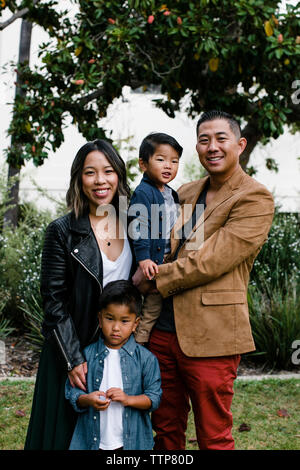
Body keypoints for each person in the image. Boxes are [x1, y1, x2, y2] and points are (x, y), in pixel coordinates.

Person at [134, 110, 275, 450]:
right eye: (203, 140)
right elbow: (158, 240)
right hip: (162, 333)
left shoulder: (254, 198)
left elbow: (210, 262)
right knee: (166, 434)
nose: (212, 147)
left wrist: (153, 279)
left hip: (212, 336)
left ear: (240, 145)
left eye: (220, 139)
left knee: (213, 437)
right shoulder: (183, 192)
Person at [25, 139, 133, 450]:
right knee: (64, 438)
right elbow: (54, 302)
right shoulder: (62, 230)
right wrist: (73, 359)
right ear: (78, 179)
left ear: (119, 176)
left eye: (108, 171)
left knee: (113, 440)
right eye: (90, 173)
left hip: (118, 352)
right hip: (74, 352)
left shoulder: (133, 224)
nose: (101, 180)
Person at [65, 280, 162, 450]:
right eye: (110, 319)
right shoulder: (86, 355)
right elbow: (72, 392)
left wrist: (127, 399)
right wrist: (87, 399)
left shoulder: (146, 359)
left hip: (131, 443)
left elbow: (154, 398)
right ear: (100, 319)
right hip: (93, 441)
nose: (116, 327)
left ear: (135, 324)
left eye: (124, 321)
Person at [128, 132, 182, 344]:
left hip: (166, 262)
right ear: (143, 164)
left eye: (174, 161)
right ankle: (138, 344)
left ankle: (141, 342)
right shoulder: (144, 192)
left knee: (155, 305)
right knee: (150, 306)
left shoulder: (170, 193)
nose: (168, 166)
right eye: (160, 159)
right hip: (151, 262)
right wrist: (143, 259)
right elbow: (138, 226)